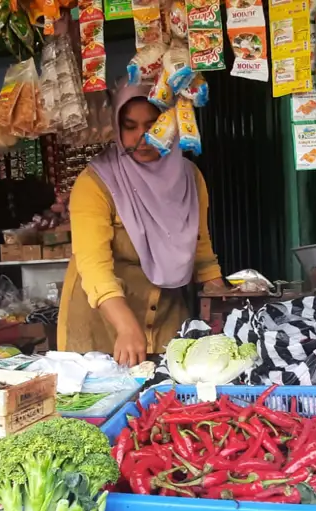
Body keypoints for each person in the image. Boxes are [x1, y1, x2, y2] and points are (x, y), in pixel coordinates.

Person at [57, 82, 226, 366]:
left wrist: (228, 305)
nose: (142, 137)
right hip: (103, 324)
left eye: (154, 124)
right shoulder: (95, 182)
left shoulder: (189, 177)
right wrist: (125, 326)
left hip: (167, 316)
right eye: (130, 126)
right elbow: (94, 266)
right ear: (117, 129)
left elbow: (201, 250)